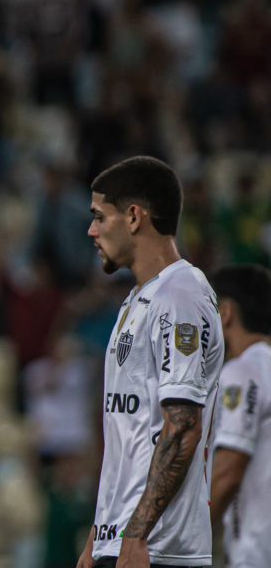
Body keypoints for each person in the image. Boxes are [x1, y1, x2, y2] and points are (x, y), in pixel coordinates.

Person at [77, 156, 224, 568]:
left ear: (134, 217)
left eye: (99, 217)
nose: (92, 230)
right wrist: (98, 535)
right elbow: (130, 438)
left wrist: (137, 534)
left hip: (157, 549)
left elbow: (182, 427)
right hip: (123, 540)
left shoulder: (180, 295)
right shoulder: (140, 299)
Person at [207, 264, 271, 567]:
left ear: (226, 312)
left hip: (257, 550)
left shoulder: (243, 372)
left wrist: (185, 538)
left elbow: (228, 472)